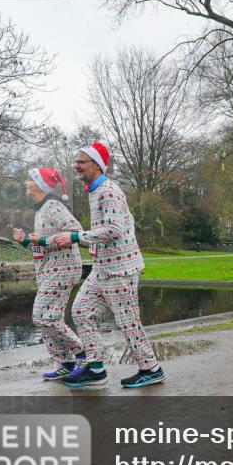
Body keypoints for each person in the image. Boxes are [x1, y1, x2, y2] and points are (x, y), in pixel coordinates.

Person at [50, 141, 165, 388]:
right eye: (76, 161)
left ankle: (151, 369)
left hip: (120, 270)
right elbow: (119, 226)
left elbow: (114, 229)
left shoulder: (109, 191)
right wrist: (95, 244)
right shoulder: (95, 190)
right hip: (103, 268)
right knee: (81, 311)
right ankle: (95, 368)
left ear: (97, 165)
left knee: (127, 321)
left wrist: (75, 237)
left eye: (81, 162)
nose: (76, 165)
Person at [12, 167, 84, 381]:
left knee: (42, 316)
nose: (25, 183)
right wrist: (25, 240)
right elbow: (43, 245)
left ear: (40, 185)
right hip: (49, 270)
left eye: (29, 179)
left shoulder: (53, 206)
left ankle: (83, 353)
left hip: (63, 269)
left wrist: (42, 240)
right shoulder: (41, 209)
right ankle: (65, 362)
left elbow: (76, 232)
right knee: (49, 319)